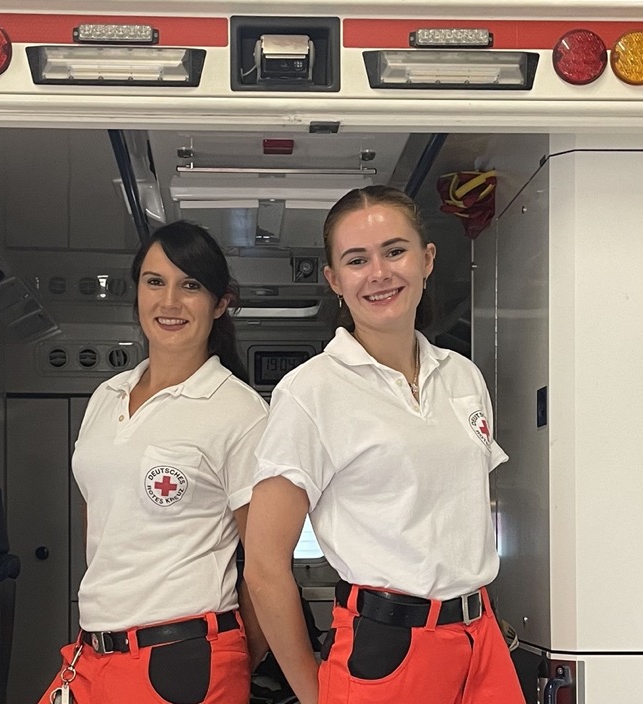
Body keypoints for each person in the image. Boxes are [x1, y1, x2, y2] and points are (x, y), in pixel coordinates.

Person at [243, 186, 524, 704]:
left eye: (394, 251)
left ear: (427, 259)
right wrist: (314, 693)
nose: (379, 273)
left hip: (481, 640)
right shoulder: (311, 391)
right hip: (388, 649)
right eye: (357, 260)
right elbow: (263, 566)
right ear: (334, 280)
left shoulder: (462, 376)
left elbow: (459, 522)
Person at [40, 220, 269, 704]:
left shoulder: (239, 411)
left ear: (220, 303)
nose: (169, 302)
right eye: (154, 282)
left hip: (182, 657)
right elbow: (100, 513)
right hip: (91, 652)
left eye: (190, 286)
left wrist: (231, 660)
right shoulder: (107, 396)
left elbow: (266, 562)